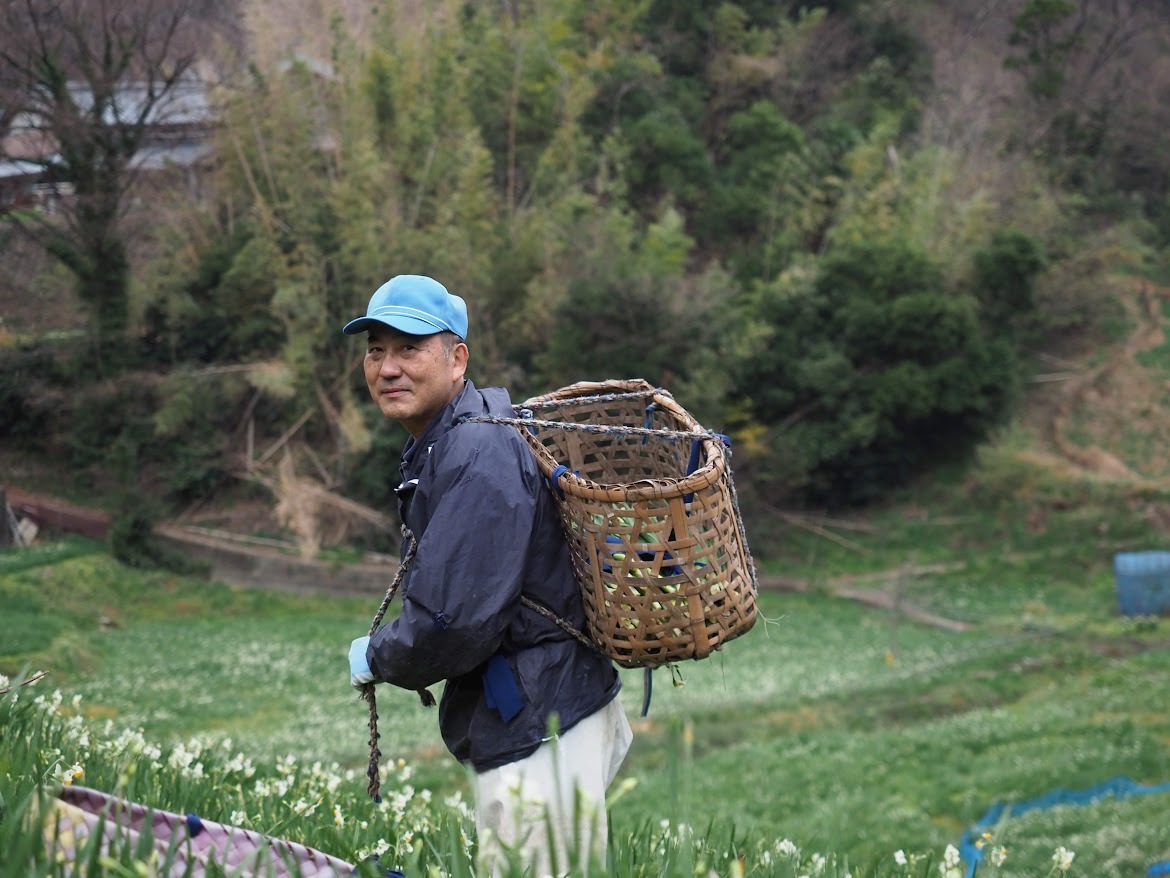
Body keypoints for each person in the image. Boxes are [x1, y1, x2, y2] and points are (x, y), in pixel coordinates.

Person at [343, 274, 632, 877]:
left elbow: (453, 621)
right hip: (551, 707)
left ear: (457, 359)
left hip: (543, 722)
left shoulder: (476, 454)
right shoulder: (455, 438)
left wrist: (381, 655)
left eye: (409, 348)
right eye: (376, 350)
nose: (388, 367)